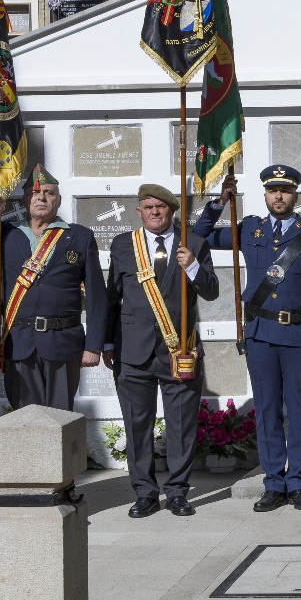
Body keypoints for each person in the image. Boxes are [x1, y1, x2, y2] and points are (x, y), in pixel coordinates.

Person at [194, 165, 301, 512]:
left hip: (299, 334)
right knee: (267, 408)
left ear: (295, 194)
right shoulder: (248, 229)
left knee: (299, 409)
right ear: (265, 194)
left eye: (285, 190)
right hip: (260, 334)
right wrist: (220, 203)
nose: (279, 196)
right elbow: (198, 236)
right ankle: (273, 482)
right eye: (273, 191)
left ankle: (297, 481)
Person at [104, 184, 219, 519]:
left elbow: (212, 291)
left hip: (179, 349)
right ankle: (144, 493)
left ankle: (178, 492)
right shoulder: (123, 244)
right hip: (132, 350)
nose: (155, 212)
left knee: (181, 426)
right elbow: (112, 297)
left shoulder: (193, 243)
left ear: (172, 210)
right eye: (148, 206)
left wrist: (193, 267)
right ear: (139, 212)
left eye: (161, 206)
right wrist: (107, 342)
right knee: (137, 426)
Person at [0, 165, 106, 412]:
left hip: (63, 342)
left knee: (61, 419)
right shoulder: (5, 234)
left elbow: (97, 296)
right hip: (19, 343)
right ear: (25, 200)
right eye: (35, 193)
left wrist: (93, 345)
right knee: (26, 420)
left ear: (58, 201)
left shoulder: (80, 237)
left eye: (49, 193)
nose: (42, 198)